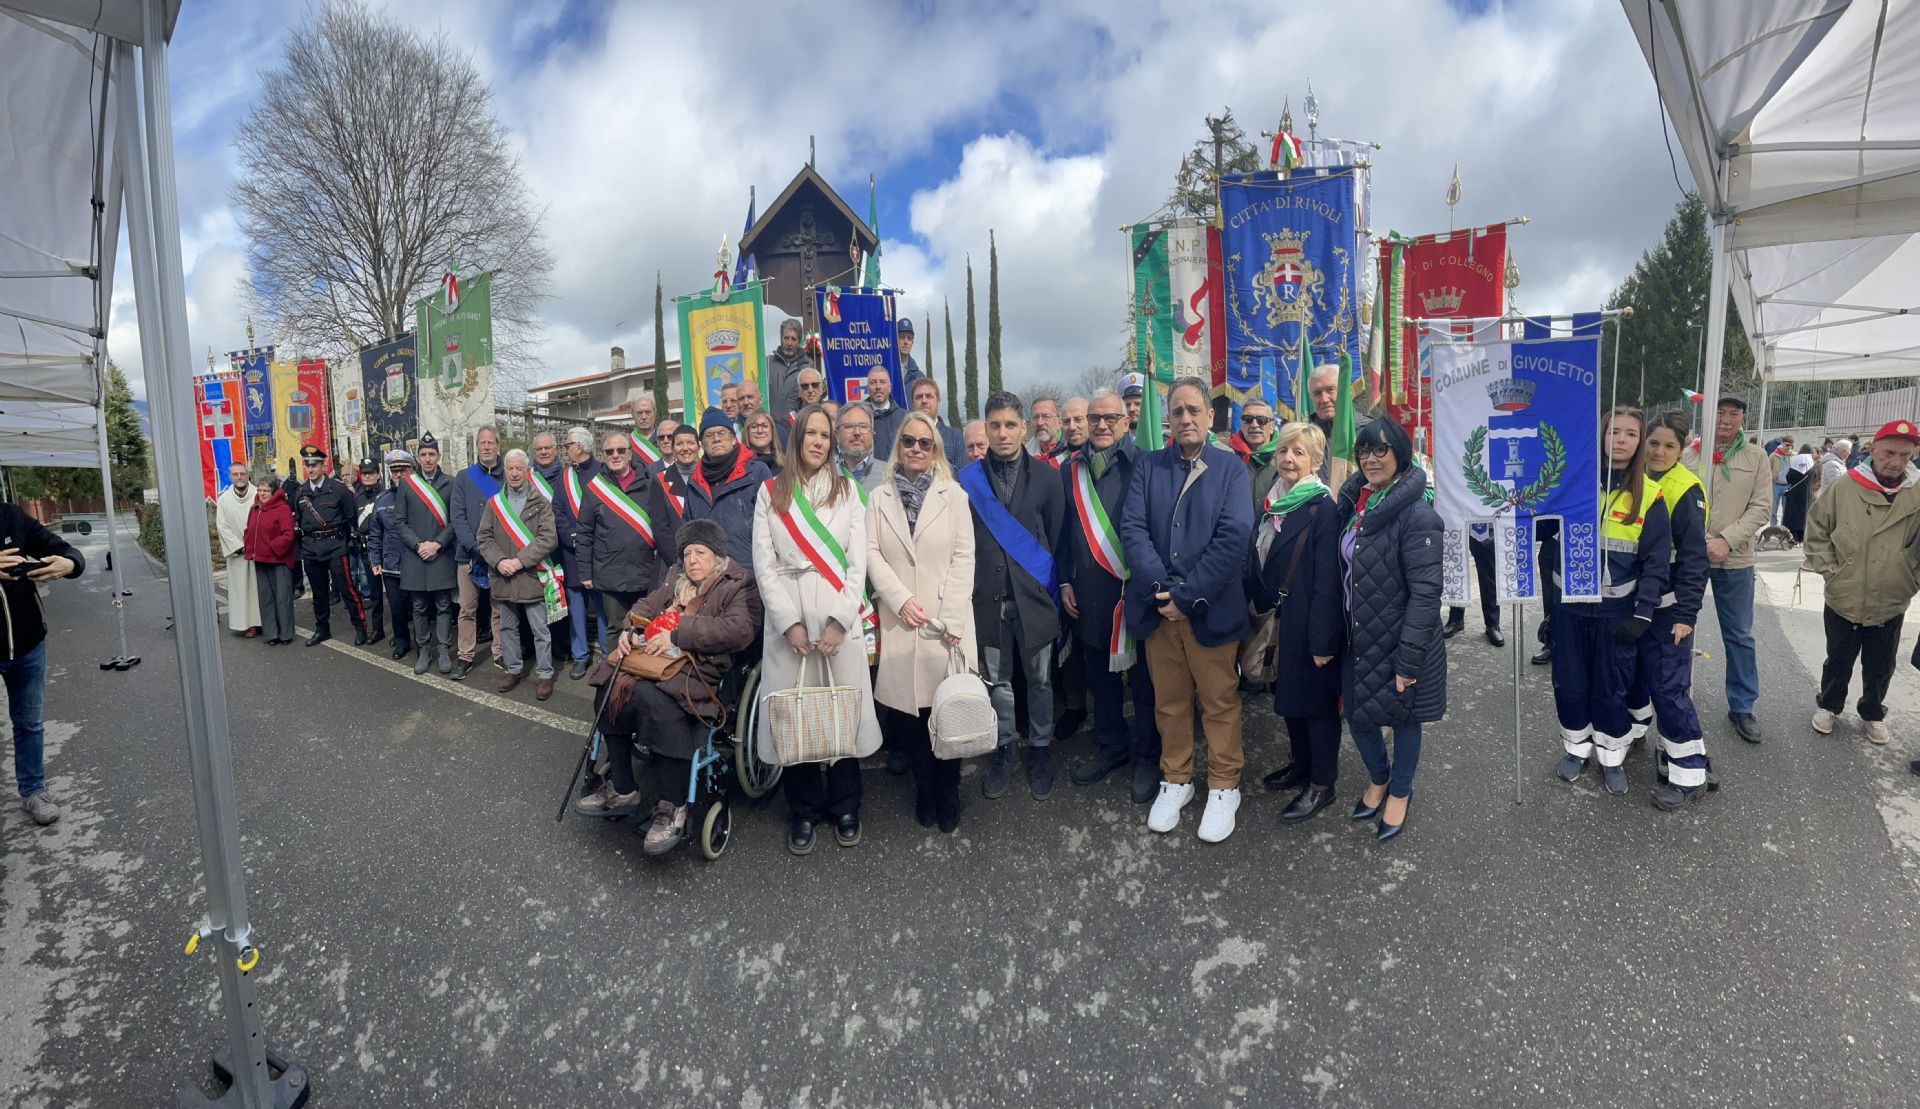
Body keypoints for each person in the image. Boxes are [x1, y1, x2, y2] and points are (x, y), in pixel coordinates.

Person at [575, 518, 762, 855]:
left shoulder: (738, 584)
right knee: (610, 688)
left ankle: (673, 804)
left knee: (656, 702)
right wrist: (631, 628)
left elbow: (739, 631)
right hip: (658, 662)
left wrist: (678, 634)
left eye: (700, 553)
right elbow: (646, 605)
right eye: (687, 553)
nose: (692, 560)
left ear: (717, 556)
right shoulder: (676, 578)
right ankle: (623, 788)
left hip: (701, 671)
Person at [1120, 377, 1254, 842]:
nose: (1185, 419)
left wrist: (1188, 596)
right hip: (1160, 612)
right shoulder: (1149, 467)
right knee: (1170, 702)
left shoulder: (1230, 469)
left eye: (1194, 410)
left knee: (1219, 702)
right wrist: (1165, 592)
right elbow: (1133, 530)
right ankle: (1176, 778)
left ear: (1210, 416)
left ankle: (1223, 784)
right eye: (1177, 411)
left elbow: (1233, 537)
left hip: (1209, 610)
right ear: (1168, 418)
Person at [753, 405, 884, 854]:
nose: (818, 442)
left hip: (836, 618)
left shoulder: (848, 491)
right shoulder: (770, 492)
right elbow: (764, 565)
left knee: (841, 711)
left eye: (825, 435)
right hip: (787, 618)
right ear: (796, 439)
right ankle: (803, 809)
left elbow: (857, 564)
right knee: (796, 715)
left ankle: (846, 804)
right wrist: (788, 623)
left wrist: (840, 620)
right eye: (810, 434)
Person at [1337, 418, 1447, 840]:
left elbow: (1426, 593)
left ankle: (1400, 790)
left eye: (1380, 449)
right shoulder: (1356, 505)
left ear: (1400, 453)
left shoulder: (1417, 516)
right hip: (1358, 634)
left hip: (1401, 639)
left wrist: (1408, 659)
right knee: (1358, 714)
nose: (1370, 458)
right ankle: (1378, 777)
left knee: (1403, 717)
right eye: (1364, 450)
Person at [866, 409, 975, 832]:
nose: (915, 448)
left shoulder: (954, 495)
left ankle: (949, 791)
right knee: (911, 719)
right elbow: (872, 553)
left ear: (935, 450)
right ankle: (924, 788)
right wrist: (899, 599)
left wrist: (951, 617)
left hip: (944, 621)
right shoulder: (879, 498)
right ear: (898, 446)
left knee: (948, 712)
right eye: (908, 441)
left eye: (924, 443)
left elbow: (964, 556)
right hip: (902, 620)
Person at [1553, 407, 1671, 796]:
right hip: (1570, 607)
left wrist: (1643, 613)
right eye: (1613, 431)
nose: (1621, 439)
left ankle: (1611, 756)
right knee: (1570, 684)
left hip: (1616, 613)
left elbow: (1656, 562)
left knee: (1611, 687)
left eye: (1631, 434)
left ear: (1640, 443)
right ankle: (1576, 749)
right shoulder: (1572, 485)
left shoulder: (1650, 495)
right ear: (1601, 435)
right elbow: (1546, 541)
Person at [960, 391, 1068, 800]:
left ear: (1023, 428)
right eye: (995, 426)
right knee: (998, 682)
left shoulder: (1047, 477)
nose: (1003, 433)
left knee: (1040, 681)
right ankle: (1005, 748)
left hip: (1034, 598)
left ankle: (1040, 748)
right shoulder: (966, 480)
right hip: (987, 598)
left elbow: (1055, 536)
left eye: (1010, 425)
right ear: (985, 430)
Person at [1060, 389, 1159, 803]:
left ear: (1125, 421)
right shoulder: (1070, 471)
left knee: (1145, 685)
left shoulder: (1146, 465)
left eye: (1110, 418)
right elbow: (1063, 534)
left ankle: (1149, 757)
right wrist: (1064, 581)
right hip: (1088, 596)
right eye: (1094, 418)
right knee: (1101, 682)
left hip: (1134, 595)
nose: (1101, 425)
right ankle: (1111, 747)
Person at [1246, 422, 1345, 822]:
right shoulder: (1274, 502)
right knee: (1290, 700)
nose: (1289, 459)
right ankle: (1300, 765)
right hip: (1281, 621)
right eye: (1284, 451)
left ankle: (1322, 783)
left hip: (1309, 624)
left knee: (1317, 707)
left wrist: (1323, 642)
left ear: (1315, 462)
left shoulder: (1322, 508)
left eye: (1299, 452)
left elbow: (1328, 583)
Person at [1805, 420, 1920, 747]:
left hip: (1891, 597)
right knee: (1838, 659)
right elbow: (1816, 530)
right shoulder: (1845, 486)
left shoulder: (1916, 492)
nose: (1896, 462)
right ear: (1873, 450)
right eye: (1889, 453)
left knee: (1881, 664)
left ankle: (1872, 712)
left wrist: (1911, 578)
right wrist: (1832, 571)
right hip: (1845, 593)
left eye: (1904, 455)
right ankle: (1829, 705)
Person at [1680, 396, 1775, 744]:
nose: (1726, 419)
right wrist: (1694, 541)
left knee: (1739, 635)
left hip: (1734, 557)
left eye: (1734, 413)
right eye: (1719, 412)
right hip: (1689, 556)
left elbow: (1761, 507)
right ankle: (1674, 693)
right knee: (1679, 627)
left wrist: (1726, 540)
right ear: (1707, 416)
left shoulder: (1756, 457)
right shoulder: (1688, 455)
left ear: (1742, 419)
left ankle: (1742, 705)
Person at [1634, 412, 1713, 810]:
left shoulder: (1684, 490)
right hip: (1638, 605)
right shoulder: (1636, 478)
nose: (1659, 452)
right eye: (1653, 443)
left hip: (1668, 611)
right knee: (1637, 677)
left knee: (1668, 688)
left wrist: (1686, 614)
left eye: (1669, 446)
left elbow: (1695, 559)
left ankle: (1689, 774)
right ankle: (1635, 736)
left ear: (1681, 450)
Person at [0, 497, 86, 827]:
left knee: (29, 723)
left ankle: (33, 791)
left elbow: (62, 549)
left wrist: (70, 564)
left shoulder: (10, 514)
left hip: (28, 642)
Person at [477, 449, 561, 700]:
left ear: (527, 471)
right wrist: (500, 561)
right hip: (504, 576)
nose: (514, 473)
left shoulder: (541, 503)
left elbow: (549, 538)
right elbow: (484, 538)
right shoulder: (495, 504)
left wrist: (520, 561)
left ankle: (545, 674)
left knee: (540, 629)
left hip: (531, 575)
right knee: (507, 628)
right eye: (510, 468)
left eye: (519, 468)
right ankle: (513, 669)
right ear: (505, 471)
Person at [576, 430, 665, 658]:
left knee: (645, 626)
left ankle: (642, 673)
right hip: (610, 573)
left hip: (645, 571)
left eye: (620, 450)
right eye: (609, 452)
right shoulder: (594, 488)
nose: (615, 455)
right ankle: (614, 675)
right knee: (616, 628)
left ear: (630, 453)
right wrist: (585, 572)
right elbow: (585, 533)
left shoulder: (650, 483)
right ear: (603, 456)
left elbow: (661, 525)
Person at [285, 445, 368, 647]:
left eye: (315, 465)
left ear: (323, 466)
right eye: (307, 465)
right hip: (311, 547)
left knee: (347, 589)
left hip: (335, 546)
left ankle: (360, 627)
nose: (311, 469)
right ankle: (322, 629)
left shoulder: (339, 490)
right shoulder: (301, 492)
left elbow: (350, 517)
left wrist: (346, 542)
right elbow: (299, 520)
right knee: (318, 592)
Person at [678, 409, 773, 579]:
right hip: (708, 578)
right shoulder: (695, 481)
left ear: (733, 438)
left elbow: (774, 524)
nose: (716, 439)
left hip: (749, 575)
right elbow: (688, 534)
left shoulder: (756, 472)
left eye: (722, 433)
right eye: (709, 435)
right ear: (702, 444)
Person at [393, 432, 459, 675]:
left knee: (444, 606)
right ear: (418, 458)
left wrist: (438, 544)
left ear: (438, 456)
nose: (428, 459)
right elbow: (399, 521)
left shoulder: (451, 483)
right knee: (419, 607)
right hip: (416, 555)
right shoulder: (407, 484)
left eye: (432, 454)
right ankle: (423, 650)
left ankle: (443, 650)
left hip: (441, 554)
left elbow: (455, 520)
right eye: (423, 454)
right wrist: (418, 545)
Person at [448, 426, 505, 679]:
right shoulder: (464, 477)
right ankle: (465, 656)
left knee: (499, 608)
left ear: (498, 446)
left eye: (491, 442)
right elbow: (457, 516)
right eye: (482, 442)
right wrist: (476, 547)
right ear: (477, 447)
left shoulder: (508, 476)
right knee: (467, 609)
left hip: (499, 556)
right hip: (468, 555)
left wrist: (494, 552)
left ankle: (500, 652)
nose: (486, 447)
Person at [530, 432, 588, 679]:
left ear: (556, 450)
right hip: (539, 547)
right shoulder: (528, 478)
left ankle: (564, 643)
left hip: (564, 547)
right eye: (539, 449)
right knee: (540, 599)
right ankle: (542, 643)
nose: (543, 452)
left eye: (548, 448)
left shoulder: (568, 476)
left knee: (563, 596)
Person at [559, 427, 606, 663]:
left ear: (578, 446)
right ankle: (580, 656)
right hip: (573, 553)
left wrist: (593, 538)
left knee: (604, 609)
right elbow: (557, 511)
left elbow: (610, 510)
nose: (565, 450)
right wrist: (571, 537)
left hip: (600, 552)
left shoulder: (603, 472)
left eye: (567, 445)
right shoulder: (564, 477)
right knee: (576, 608)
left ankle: (608, 656)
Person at [366, 451, 413, 660]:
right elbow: (375, 533)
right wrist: (375, 559)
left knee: (420, 608)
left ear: (411, 470)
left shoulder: (422, 497)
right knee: (396, 607)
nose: (399, 474)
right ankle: (402, 640)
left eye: (403, 470)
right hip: (391, 564)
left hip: (416, 562)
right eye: (395, 471)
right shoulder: (382, 500)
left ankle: (423, 641)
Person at [244, 474, 297, 646]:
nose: (262, 493)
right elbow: (249, 530)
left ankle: (285, 634)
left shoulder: (283, 509)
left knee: (282, 598)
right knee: (265, 599)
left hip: (278, 560)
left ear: (274, 492)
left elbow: (289, 535)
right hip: (260, 560)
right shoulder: (254, 508)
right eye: (260, 490)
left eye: (266, 490)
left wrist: (273, 547)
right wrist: (249, 545)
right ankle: (271, 634)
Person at [214, 463, 261, 637]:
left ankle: (263, 621)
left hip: (258, 551)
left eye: (242, 473)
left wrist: (255, 545)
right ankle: (246, 624)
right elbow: (222, 527)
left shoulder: (258, 494)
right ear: (230, 476)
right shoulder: (224, 499)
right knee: (241, 590)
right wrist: (239, 547)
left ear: (248, 475)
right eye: (235, 474)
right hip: (238, 553)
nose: (239, 477)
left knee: (259, 589)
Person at [1307, 362, 1373, 481]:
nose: (1324, 399)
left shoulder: (1371, 431)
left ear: (1346, 391)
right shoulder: (1304, 437)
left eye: (1330, 390)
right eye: (1317, 393)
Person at [348, 458, 388, 647]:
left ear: (378, 474)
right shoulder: (357, 498)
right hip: (367, 549)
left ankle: (402, 631)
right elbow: (353, 522)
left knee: (397, 593)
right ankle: (378, 629)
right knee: (374, 593)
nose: (368, 476)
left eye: (371, 472)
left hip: (386, 548)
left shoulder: (386, 495)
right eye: (364, 473)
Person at [1441, 528, 1503, 646]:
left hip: (1482, 521)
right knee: (1455, 566)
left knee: (1487, 572)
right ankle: (1456, 618)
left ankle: (1492, 623)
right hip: (1456, 520)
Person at [766, 318, 813, 426]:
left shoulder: (807, 366)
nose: (789, 343)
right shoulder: (767, 363)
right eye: (786, 338)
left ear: (799, 341)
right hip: (771, 427)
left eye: (793, 339)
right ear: (780, 338)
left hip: (797, 427)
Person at [910, 376, 965, 461]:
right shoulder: (901, 438)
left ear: (938, 402)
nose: (924, 401)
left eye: (929, 396)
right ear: (912, 403)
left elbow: (961, 469)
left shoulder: (957, 439)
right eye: (919, 397)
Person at [836, 403, 886, 493]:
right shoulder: (825, 474)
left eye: (863, 426)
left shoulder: (889, 474)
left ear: (872, 432)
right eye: (849, 426)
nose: (857, 432)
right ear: (836, 434)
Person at [1228, 401, 1277, 489]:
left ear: (1272, 426)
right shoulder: (1228, 455)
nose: (1254, 425)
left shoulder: (1285, 456)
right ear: (1241, 424)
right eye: (1248, 419)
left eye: (1262, 420)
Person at [864, 366, 906, 455]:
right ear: (867, 388)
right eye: (873, 382)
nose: (878, 387)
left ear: (890, 387)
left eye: (882, 382)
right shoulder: (859, 417)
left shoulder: (905, 418)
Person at [1783, 445, 1816, 541]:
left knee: (1793, 514)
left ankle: (1794, 536)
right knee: (1804, 514)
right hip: (1806, 493)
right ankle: (1802, 537)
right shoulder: (1811, 462)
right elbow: (1814, 477)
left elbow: (1788, 477)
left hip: (1794, 493)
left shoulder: (1796, 460)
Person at [743, 409, 783, 473]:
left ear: (772, 431)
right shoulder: (741, 466)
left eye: (765, 426)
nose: (760, 431)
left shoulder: (787, 465)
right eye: (754, 427)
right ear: (747, 432)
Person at [1027, 393, 1063, 464]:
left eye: (1046, 416)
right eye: (1035, 417)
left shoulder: (1072, 451)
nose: (1040, 423)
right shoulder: (1025, 454)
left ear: (1059, 422)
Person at [1770, 434, 1796, 523]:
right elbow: (1768, 470)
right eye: (1787, 445)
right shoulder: (1774, 455)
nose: (1789, 448)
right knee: (1773, 509)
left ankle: (1783, 527)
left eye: (1791, 446)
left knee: (1786, 510)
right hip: (1776, 485)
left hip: (1788, 486)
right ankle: (1773, 527)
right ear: (1782, 443)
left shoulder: (1794, 456)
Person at [897, 317, 923, 383]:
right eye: (902, 337)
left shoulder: (919, 378)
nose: (906, 342)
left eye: (909, 338)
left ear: (912, 342)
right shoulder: (885, 371)